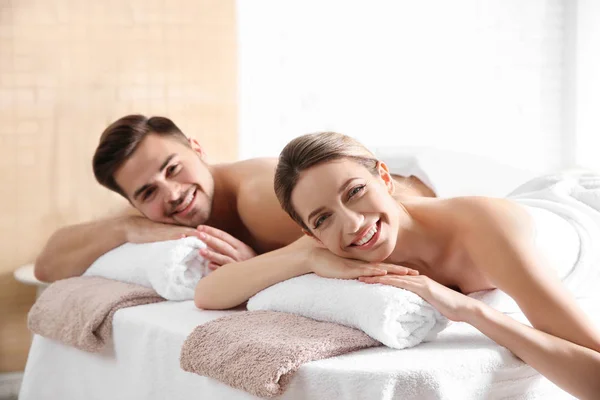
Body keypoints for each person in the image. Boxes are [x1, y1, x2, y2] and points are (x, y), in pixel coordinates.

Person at [272, 131, 600, 399]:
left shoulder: (485, 229)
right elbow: (219, 287)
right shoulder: (331, 243)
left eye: (356, 191)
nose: (353, 223)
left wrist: (473, 312)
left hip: (586, 216)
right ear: (311, 234)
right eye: (323, 218)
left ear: (384, 177)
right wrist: (307, 257)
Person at [35, 115, 429, 309]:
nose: (171, 194)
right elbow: (47, 266)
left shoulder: (258, 200)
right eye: (147, 192)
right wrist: (125, 229)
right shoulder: (143, 219)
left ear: (197, 148)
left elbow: (387, 228)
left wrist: (259, 266)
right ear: (133, 203)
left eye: (173, 168)